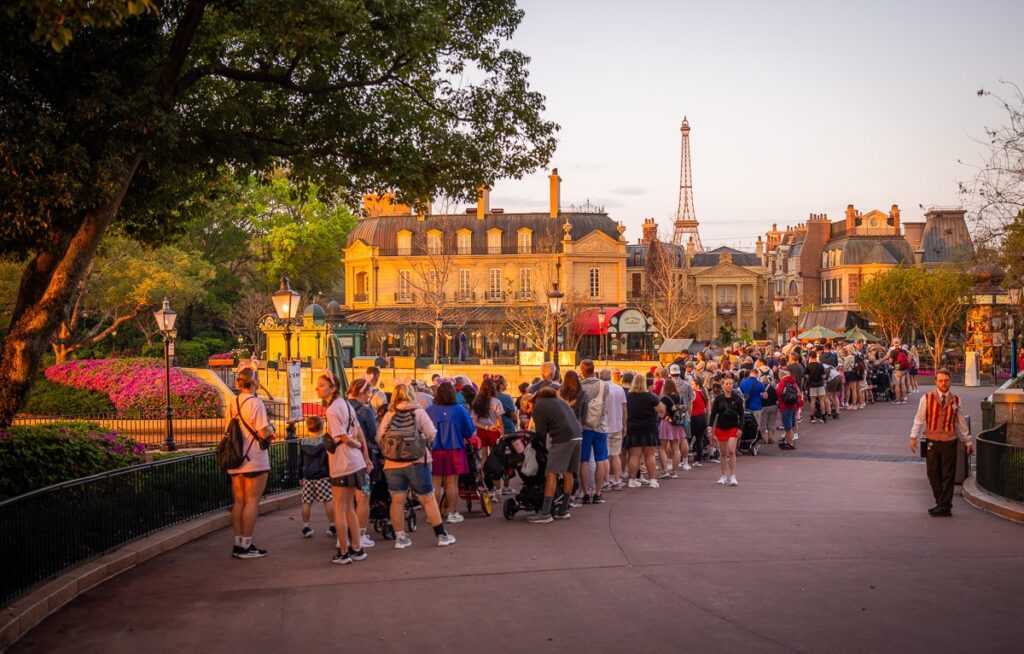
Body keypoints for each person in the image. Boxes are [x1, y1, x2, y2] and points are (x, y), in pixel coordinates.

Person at [379, 384, 455, 547]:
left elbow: (379, 437)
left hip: (392, 463)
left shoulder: (390, 414)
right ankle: (441, 535)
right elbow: (431, 434)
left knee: (397, 500)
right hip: (417, 462)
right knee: (428, 499)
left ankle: (400, 538)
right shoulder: (418, 412)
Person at [320, 370, 371, 564]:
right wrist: (364, 455)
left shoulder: (332, 409)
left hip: (342, 462)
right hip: (356, 462)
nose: (318, 389)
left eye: (322, 385)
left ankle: (343, 551)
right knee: (350, 507)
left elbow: (343, 437)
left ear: (333, 388)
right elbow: (358, 431)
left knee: (340, 509)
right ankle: (357, 547)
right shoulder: (347, 405)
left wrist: (356, 445)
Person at [909, 369, 973, 516]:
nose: (943, 383)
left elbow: (961, 422)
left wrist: (967, 441)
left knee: (948, 475)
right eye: (941, 381)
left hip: (949, 441)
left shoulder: (956, 400)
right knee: (932, 473)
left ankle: (944, 506)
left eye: (946, 381)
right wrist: (913, 437)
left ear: (950, 381)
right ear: (936, 381)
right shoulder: (926, 398)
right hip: (932, 440)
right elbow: (919, 419)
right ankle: (942, 503)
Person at [226, 366, 274, 559]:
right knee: (252, 501)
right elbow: (263, 431)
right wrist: (271, 428)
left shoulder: (233, 402)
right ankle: (247, 543)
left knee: (239, 501)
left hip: (236, 458)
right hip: (254, 458)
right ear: (254, 382)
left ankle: (238, 542)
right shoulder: (256, 403)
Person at [426, 381, 478, 524]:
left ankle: (433, 515)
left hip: (435, 449)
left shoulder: (430, 410)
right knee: (452, 482)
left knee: (435, 482)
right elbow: (469, 431)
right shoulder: (459, 410)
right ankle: (452, 513)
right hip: (455, 448)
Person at [527, 387, 582, 523]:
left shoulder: (539, 406)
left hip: (563, 438)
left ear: (532, 401)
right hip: (577, 436)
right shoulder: (559, 400)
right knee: (568, 472)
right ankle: (564, 509)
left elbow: (540, 432)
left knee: (551, 473)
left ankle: (545, 512)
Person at [346, 378, 379, 550]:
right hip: (363, 459)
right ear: (361, 393)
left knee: (345, 500)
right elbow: (374, 436)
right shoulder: (366, 412)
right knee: (363, 498)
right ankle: (360, 533)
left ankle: (344, 535)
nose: (369, 396)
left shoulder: (343, 407)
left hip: (344, 459)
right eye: (368, 393)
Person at [297, 416, 336, 539]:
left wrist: (300, 476)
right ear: (321, 427)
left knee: (306, 501)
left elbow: (300, 461)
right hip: (322, 475)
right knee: (328, 500)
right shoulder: (324, 442)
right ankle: (332, 525)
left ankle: (305, 526)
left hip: (307, 475)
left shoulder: (303, 442)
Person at [578, 360, 610, 504]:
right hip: (600, 425)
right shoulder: (604, 385)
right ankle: (598, 492)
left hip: (585, 427)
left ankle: (585, 493)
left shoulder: (580, 387)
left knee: (583, 460)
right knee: (600, 459)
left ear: (582, 370)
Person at [625, 375, 661, 488]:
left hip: (633, 427)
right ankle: (652, 480)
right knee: (649, 455)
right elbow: (661, 409)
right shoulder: (650, 397)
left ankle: (632, 480)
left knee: (634, 456)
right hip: (649, 427)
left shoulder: (628, 396)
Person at [471, 377, 506, 497]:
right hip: (494, 431)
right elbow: (499, 422)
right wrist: (502, 435)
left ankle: (487, 485)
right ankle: (498, 488)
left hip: (482, 431)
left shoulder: (476, 402)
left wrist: (485, 427)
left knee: (483, 459)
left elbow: (474, 421)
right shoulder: (496, 402)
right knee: (496, 459)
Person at [708, 376, 744, 486]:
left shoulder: (738, 398)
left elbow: (741, 415)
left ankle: (733, 476)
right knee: (723, 453)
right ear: (723, 385)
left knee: (731, 451)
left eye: (731, 384)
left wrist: (740, 429)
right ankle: (723, 475)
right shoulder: (718, 399)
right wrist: (710, 426)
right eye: (727, 384)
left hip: (733, 427)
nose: (729, 386)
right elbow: (713, 414)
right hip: (720, 427)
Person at [599, 368, 627, 491]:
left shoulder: (599, 389)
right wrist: (624, 424)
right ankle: (617, 480)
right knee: (616, 455)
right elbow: (624, 408)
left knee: (604, 456)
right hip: (617, 424)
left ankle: (605, 481)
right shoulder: (619, 389)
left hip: (603, 426)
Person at [657, 378, 686, 478]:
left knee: (662, 448)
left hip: (666, 423)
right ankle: (674, 472)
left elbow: (662, 413)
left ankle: (665, 470)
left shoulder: (664, 398)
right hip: (677, 424)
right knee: (676, 449)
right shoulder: (679, 397)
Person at [776, 368, 802, 450]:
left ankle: (790, 443)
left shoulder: (782, 382)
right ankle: (786, 441)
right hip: (793, 405)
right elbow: (798, 393)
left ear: (781, 376)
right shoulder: (793, 382)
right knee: (791, 424)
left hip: (785, 405)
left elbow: (779, 393)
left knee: (787, 426)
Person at [689, 377, 709, 466]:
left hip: (695, 417)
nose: (691, 386)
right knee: (699, 439)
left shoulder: (694, 393)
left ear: (697, 385)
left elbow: (691, 406)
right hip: (702, 417)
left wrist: (688, 417)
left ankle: (683, 459)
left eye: (692, 384)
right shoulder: (704, 393)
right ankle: (698, 460)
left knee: (688, 439)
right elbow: (708, 408)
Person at [804, 350, 828, 423]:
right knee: (821, 401)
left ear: (810, 357)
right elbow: (824, 376)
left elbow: (807, 376)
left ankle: (812, 417)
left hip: (812, 385)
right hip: (820, 384)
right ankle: (823, 417)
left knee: (813, 401)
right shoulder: (820, 365)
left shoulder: (808, 365)